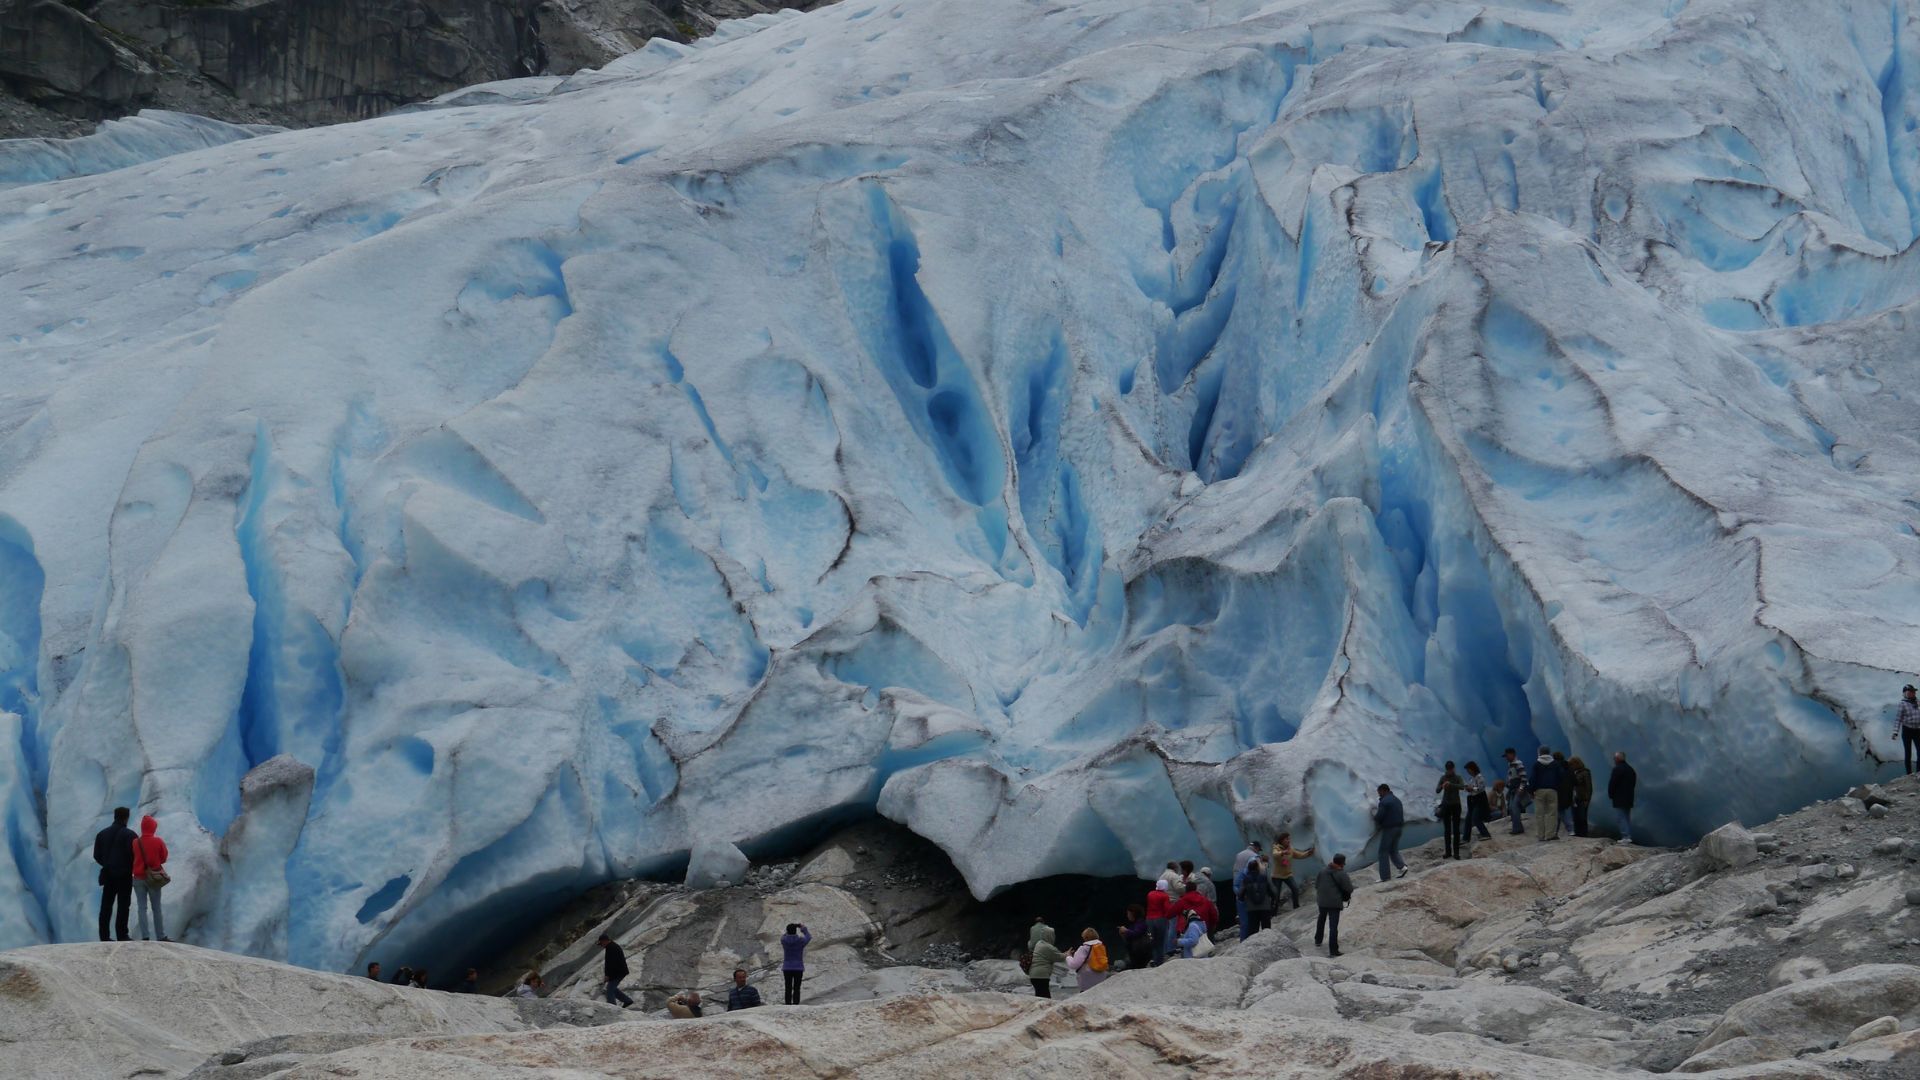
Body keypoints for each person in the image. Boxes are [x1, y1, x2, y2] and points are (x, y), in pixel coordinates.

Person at [92, 806, 137, 942]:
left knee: (106, 905)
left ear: (114, 816)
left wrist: (107, 864)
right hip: (124, 875)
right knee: (123, 905)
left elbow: (97, 855)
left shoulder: (102, 834)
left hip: (108, 874)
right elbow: (134, 856)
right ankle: (122, 934)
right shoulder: (131, 835)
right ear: (126, 817)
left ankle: (104, 936)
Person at [129, 814, 170, 942]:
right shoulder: (158, 841)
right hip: (154, 878)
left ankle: (145, 936)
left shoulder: (135, 842)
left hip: (138, 878)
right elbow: (164, 857)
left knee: (142, 908)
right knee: (156, 908)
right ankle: (160, 936)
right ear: (153, 828)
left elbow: (132, 858)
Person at [1314, 854, 1354, 957]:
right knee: (1333, 926)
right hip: (1334, 903)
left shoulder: (1322, 871)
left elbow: (1316, 885)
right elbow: (1349, 889)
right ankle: (1333, 950)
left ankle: (1318, 940)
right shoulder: (1341, 873)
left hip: (1322, 901)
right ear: (1342, 863)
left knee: (1321, 919)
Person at [1270, 833, 1314, 910]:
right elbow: (1275, 855)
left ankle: (1296, 906)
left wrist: (1308, 853)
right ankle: (1273, 912)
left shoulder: (1290, 849)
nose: (1289, 840)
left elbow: (1300, 855)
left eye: (1289, 839)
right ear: (1281, 840)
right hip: (1277, 876)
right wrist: (1282, 852)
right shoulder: (1276, 848)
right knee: (1276, 895)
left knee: (1295, 889)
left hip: (1287, 874)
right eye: (1286, 839)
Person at [1237, 856, 1277, 938]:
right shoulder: (1264, 877)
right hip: (1265, 906)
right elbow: (1272, 890)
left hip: (1251, 908)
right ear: (1258, 868)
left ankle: (1254, 947)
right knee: (1266, 928)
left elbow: (1240, 894)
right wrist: (1273, 900)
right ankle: (1269, 944)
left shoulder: (1245, 879)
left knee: (1253, 930)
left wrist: (1243, 900)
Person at [1530, 748, 1564, 841]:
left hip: (1539, 791)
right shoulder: (1555, 764)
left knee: (1539, 814)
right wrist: (1557, 786)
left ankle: (1541, 835)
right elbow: (1561, 776)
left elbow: (1532, 778)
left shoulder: (1536, 764)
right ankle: (1550, 835)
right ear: (1549, 753)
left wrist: (1531, 791)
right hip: (1552, 790)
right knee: (1552, 813)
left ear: (1540, 753)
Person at [1373, 784, 1406, 881]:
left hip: (1389, 829)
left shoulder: (1384, 802)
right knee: (1393, 850)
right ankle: (1402, 868)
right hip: (1399, 828)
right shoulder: (1397, 800)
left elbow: (1380, 816)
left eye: (1379, 793)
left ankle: (1385, 877)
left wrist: (1374, 819)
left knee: (1383, 852)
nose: (1379, 795)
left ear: (1383, 791)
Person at [1435, 762, 1465, 860]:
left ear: (1453, 768)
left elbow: (1462, 786)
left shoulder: (1458, 777)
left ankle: (1456, 853)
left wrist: (1451, 784)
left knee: (1456, 830)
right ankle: (1448, 852)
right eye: (1448, 769)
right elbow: (1437, 790)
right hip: (1446, 805)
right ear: (1446, 769)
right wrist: (1442, 786)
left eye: (1451, 769)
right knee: (1447, 830)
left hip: (1456, 805)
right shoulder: (1443, 778)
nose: (1450, 770)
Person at [1025, 924, 1064, 998]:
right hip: (1041, 976)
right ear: (1050, 936)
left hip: (1034, 975)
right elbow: (1059, 957)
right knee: (1046, 997)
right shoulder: (1048, 947)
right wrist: (1067, 955)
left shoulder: (1039, 943)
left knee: (1039, 996)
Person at [597, 933, 634, 1008]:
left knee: (610, 990)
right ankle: (627, 1000)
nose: (601, 945)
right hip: (618, 971)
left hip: (618, 972)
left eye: (601, 943)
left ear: (605, 941)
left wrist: (608, 975)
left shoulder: (612, 948)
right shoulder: (611, 946)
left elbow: (611, 963)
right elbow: (610, 963)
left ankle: (612, 1007)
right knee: (612, 988)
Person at [1608, 752, 1638, 843]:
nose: (1614, 760)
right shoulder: (1631, 769)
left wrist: (1611, 793)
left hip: (1619, 797)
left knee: (1621, 818)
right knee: (1626, 817)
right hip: (1629, 797)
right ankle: (1628, 836)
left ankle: (1626, 836)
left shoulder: (1617, 769)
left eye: (1614, 758)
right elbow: (1633, 783)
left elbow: (1613, 783)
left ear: (1618, 759)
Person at [781, 922, 811, 1004]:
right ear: (795, 931)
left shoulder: (784, 940)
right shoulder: (800, 941)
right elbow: (808, 937)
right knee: (797, 988)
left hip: (787, 967)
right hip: (798, 967)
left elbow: (784, 935)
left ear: (787, 931)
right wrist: (802, 928)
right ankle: (796, 1004)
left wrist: (790, 929)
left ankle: (787, 1004)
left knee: (788, 987)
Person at [1145, 880, 1174, 965]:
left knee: (1151, 939)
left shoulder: (1150, 894)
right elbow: (1167, 909)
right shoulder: (1165, 896)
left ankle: (1153, 959)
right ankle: (1159, 961)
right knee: (1160, 941)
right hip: (1160, 920)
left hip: (1149, 919)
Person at [1464, 762, 1493, 842]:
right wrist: (1467, 788)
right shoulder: (1471, 778)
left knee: (1475, 818)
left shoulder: (1479, 777)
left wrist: (1472, 788)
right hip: (1472, 800)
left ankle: (1486, 834)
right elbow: (1471, 788)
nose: (1468, 772)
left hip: (1479, 800)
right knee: (1468, 819)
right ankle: (1465, 838)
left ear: (1473, 769)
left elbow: (1481, 788)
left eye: (1468, 770)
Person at [1504, 748, 1530, 835]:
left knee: (1514, 807)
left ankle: (1518, 828)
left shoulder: (1518, 764)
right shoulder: (1511, 765)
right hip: (1513, 789)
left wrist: (1521, 789)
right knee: (1511, 808)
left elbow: (1524, 778)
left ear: (1512, 754)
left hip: (1517, 789)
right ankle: (1516, 827)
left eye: (1507, 755)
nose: (1506, 758)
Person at [1119, 905, 1153, 970]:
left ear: (1133, 914)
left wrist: (1126, 931)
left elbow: (1136, 933)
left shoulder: (1141, 923)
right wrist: (1123, 934)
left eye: (1128, 914)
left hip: (1140, 952)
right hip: (1135, 951)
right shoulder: (1134, 924)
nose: (1127, 915)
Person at [1569, 756, 1594, 838]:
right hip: (1574, 799)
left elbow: (1589, 787)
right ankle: (1577, 834)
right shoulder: (1573, 773)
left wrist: (1587, 799)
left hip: (1582, 799)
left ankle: (1583, 834)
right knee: (1575, 817)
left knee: (1582, 818)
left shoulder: (1585, 773)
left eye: (1571, 764)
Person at [1897, 685, 1920, 775]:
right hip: (1907, 731)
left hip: (1918, 730)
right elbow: (1898, 718)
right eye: (1910, 691)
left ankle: (1918, 772)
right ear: (1905, 693)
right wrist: (1895, 732)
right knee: (1908, 752)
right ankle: (1909, 774)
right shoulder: (1902, 704)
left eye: (1913, 691)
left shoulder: (1918, 702)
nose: (1913, 693)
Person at [1553, 751, 1575, 835]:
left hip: (1558, 791)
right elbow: (1574, 780)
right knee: (1566, 810)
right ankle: (1570, 829)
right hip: (1568, 792)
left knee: (1559, 812)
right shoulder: (1569, 767)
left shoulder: (1554, 767)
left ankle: (1566, 829)